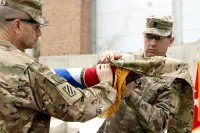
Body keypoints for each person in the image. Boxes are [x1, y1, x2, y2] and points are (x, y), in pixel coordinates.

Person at [0, 0, 117, 132]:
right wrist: (106, 85)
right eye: (36, 27)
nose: (40, 34)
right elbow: (78, 108)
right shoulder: (28, 70)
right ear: (17, 25)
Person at [97, 15, 194, 132]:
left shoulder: (173, 78)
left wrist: (129, 95)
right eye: (149, 37)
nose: (152, 43)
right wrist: (103, 62)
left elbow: (160, 124)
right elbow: (91, 86)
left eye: (158, 38)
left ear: (171, 41)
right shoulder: (126, 62)